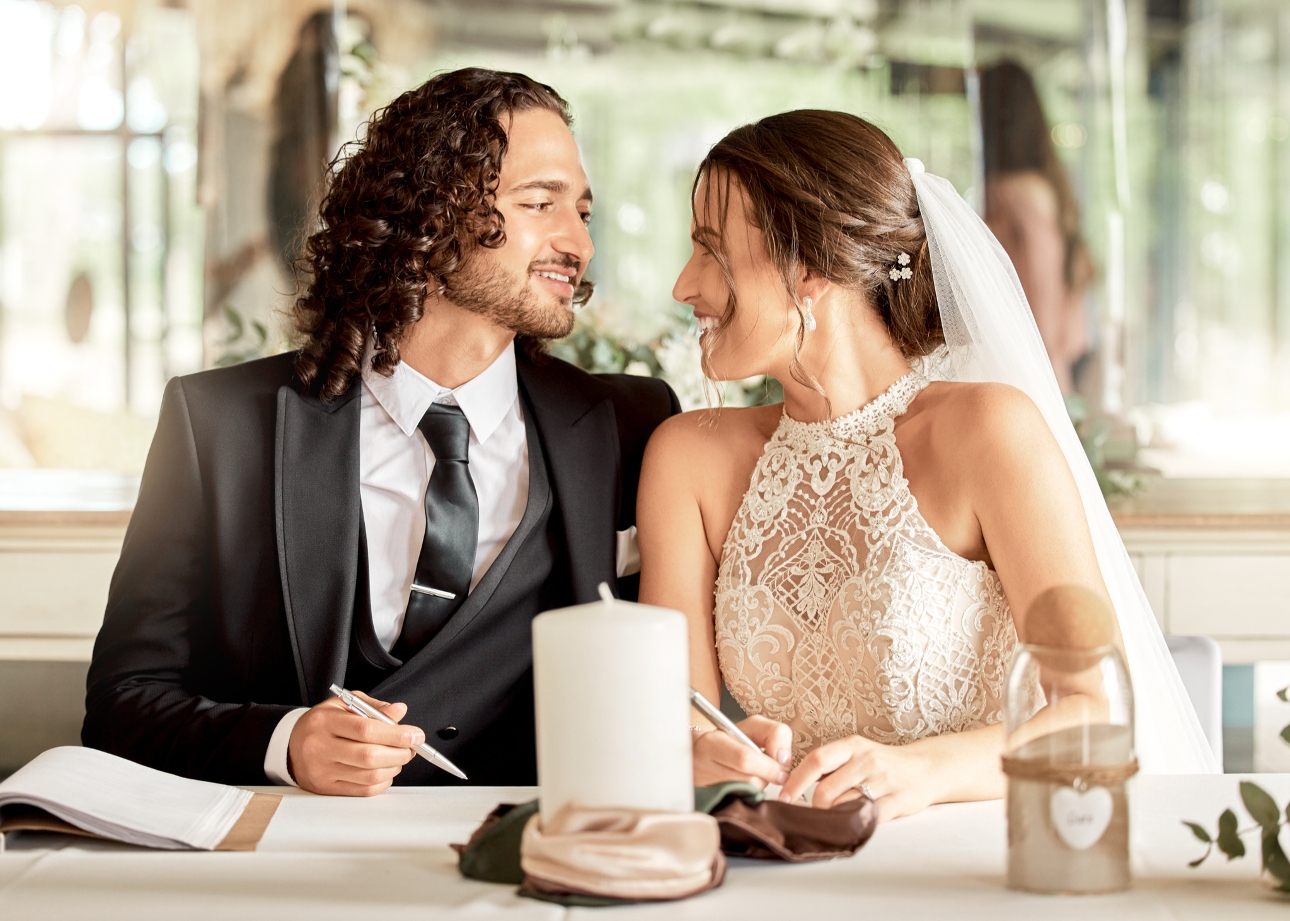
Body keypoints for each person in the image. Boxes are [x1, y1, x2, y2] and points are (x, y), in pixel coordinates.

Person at [83, 68, 679, 794]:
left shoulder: (633, 426)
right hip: (296, 877)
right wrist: (284, 743)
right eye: (539, 203)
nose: (578, 243)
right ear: (430, 212)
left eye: (582, 212)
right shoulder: (219, 426)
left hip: (525, 874)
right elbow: (122, 704)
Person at [637, 110, 1216, 824]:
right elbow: (675, 723)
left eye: (710, 249)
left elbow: (1098, 715)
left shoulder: (987, 432)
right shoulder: (685, 458)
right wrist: (706, 752)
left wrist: (921, 772)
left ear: (811, 265)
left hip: (979, 859)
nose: (683, 284)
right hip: (782, 857)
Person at [980, 61, 1094, 394]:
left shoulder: (1011, 192)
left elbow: (1043, 280)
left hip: (1031, 360)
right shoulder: (1048, 183)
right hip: (1042, 355)